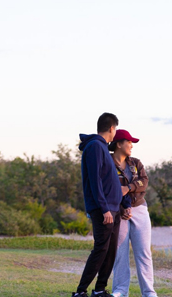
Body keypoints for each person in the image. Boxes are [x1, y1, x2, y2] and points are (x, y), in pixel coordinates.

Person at [73, 113, 132, 297]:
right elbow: (95, 180)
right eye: (115, 130)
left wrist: (123, 202)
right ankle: (80, 292)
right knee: (101, 249)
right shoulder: (95, 147)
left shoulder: (103, 149)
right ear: (112, 128)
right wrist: (104, 208)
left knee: (110, 250)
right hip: (103, 209)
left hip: (113, 209)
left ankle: (99, 290)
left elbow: (110, 180)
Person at [108, 129, 158, 297]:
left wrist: (128, 188)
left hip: (140, 210)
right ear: (119, 143)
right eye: (129, 142)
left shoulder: (136, 163)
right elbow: (107, 189)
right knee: (119, 252)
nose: (131, 146)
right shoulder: (107, 163)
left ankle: (149, 292)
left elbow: (144, 182)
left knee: (143, 252)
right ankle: (120, 291)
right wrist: (122, 209)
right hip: (118, 212)